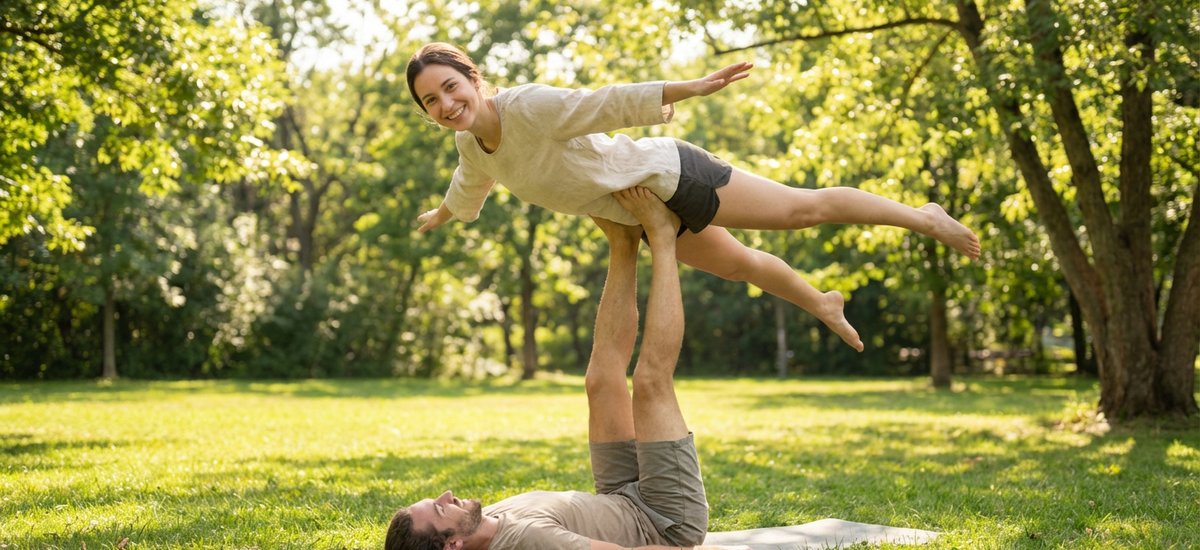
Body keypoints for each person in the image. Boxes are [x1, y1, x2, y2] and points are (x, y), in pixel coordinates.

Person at [406, 42, 981, 351]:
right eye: (431, 100)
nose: (446, 103)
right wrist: (442, 214)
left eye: (450, 87)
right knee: (740, 268)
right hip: (641, 211)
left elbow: (605, 101)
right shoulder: (471, 147)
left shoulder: (526, 107)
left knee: (802, 210)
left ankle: (922, 217)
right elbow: (469, 187)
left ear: (473, 79)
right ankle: (822, 302)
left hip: (671, 176)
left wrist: (691, 87)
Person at [385, 188, 733, 550]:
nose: (447, 495)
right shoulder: (528, 542)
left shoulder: (484, 524)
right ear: (452, 545)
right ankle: (662, 236)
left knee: (599, 381)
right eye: (440, 511)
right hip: (663, 519)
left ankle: (623, 241)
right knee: (650, 382)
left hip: (618, 497)